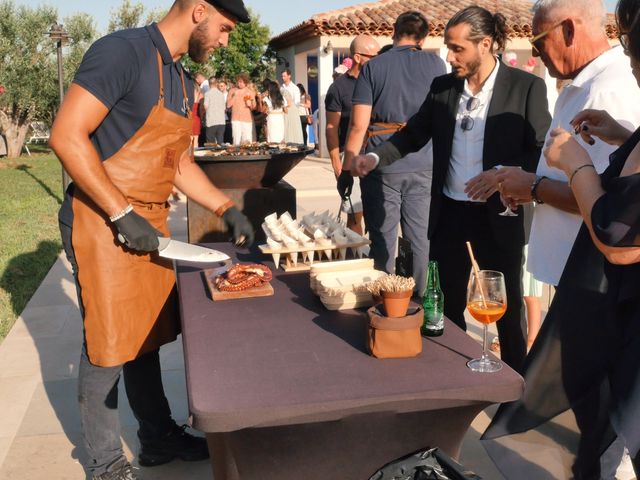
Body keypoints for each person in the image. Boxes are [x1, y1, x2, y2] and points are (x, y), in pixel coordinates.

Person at [48, 1, 254, 479]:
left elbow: (178, 163)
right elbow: (66, 135)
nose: (224, 42)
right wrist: (121, 213)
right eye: (223, 29)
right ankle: (104, 463)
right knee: (107, 343)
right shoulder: (121, 52)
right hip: (100, 218)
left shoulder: (180, 79)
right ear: (198, 10)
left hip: (150, 222)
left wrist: (226, 208)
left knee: (145, 334)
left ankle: (158, 438)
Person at [348, 6, 551, 373]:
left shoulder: (526, 87)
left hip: (499, 214)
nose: (449, 56)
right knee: (445, 303)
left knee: (505, 308)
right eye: (447, 46)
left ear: (485, 44)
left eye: (458, 48)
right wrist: (376, 159)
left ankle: (514, 388)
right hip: (450, 214)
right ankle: (450, 377)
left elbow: (541, 148)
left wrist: (504, 174)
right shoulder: (442, 87)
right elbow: (413, 133)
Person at [484, 0, 640, 476]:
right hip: (589, 287)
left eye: (537, 41)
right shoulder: (587, 82)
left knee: (600, 424)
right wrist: (622, 137)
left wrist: (549, 178)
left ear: (569, 29)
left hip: (611, 298)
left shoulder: (613, 83)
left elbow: (621, 232)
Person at [339, 11, 446, 295]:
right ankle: (421, 305)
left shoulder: (375, 67)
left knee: (383, 239)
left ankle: (384, 303)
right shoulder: (437, 64)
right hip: (425, 160)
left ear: (393, 32)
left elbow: (358, 125)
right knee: (419, 240)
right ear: (423, 38)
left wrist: (348, 167)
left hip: (381, 164)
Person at [325, 34, 380, 235]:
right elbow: (331, 128)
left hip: (377, 154)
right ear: (358, 57)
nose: (379, 60)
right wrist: (337, 165)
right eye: (373, 56)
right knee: (355, 216)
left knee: (375, 213)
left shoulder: (379, 81)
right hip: (351, 157)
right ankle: (355, 257)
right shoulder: (338, 88)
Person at [226, 72, 255, 145]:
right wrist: (235, 96)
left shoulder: (250, 92)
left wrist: (249, 104)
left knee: (247, 141)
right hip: (235, 119)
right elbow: (228, 105)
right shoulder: (232, 91)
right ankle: (236, 155)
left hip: (247, 119)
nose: (239, 83)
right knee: (236, 140)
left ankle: (247, 155)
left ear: (246, 82)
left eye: (241, 82)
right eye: (238, 81)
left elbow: (254, 107)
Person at [203, 77, 227, 144]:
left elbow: (205, 106)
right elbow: (224, 108)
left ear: (209, 84)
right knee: (220, 142)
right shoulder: (221, 94)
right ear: (216, 84)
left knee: (211, 144)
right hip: (221, 121)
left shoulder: (207, 94)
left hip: (211, 121)